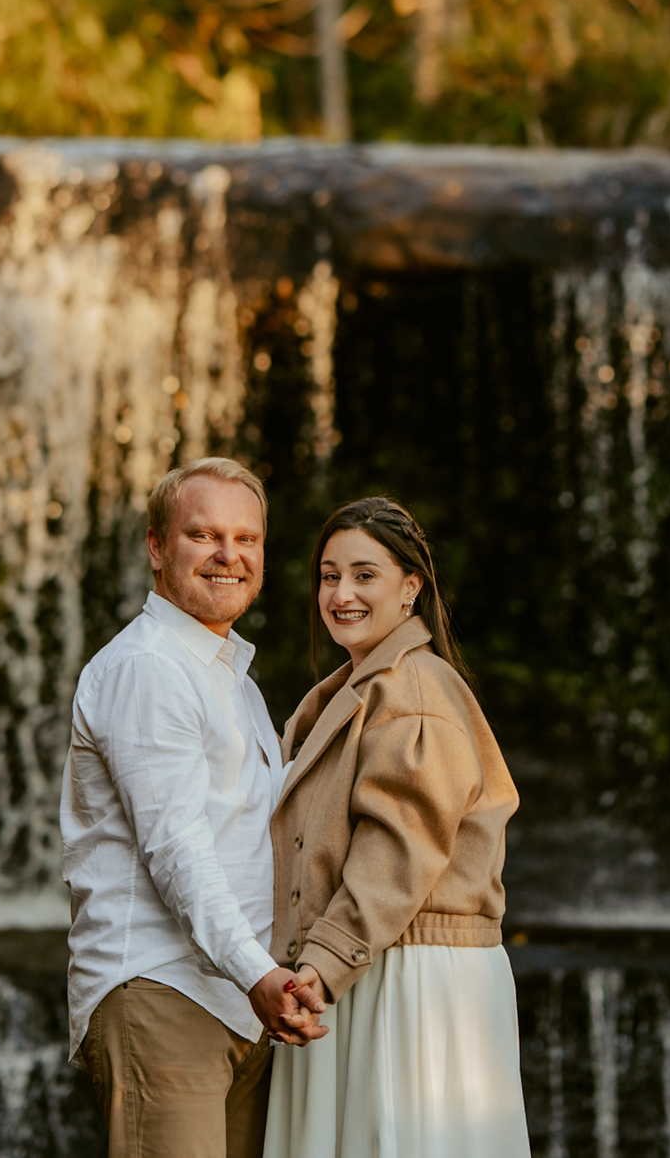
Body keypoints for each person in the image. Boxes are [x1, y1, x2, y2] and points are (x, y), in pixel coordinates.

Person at [60, 457, 325, 1158]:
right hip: (164, 996)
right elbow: (176, 848)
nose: (228, 555)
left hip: (236, 1003)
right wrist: (260, 974)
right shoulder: (149, 667)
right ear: (156, 546)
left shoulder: (229, 673)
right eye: (203, 535)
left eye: (246, 539)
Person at [263, 496, 532, 1158]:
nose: (342, 593)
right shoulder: (350, 689)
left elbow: (398, 850)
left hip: (408, 981)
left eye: (364, 574)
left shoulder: (412, 690)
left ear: (411, 587)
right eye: (329, 576)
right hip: (364, 966)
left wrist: (320, 972)